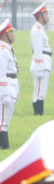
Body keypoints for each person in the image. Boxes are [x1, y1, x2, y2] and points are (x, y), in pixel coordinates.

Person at [29, 3, 52, 116]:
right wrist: (39, 67)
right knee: (38, 92)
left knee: (41, 91)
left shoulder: (41, 29)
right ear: (40, 16)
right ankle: (37, 114)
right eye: (46, 14)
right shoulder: (37, 30)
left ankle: (39, 114)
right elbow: (37, 50)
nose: (48, 16)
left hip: (45, 63)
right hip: (40, 64)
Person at [0, 19, 18, 150]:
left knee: (5, 120)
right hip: (6, 86)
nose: (13, 35)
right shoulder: (2, 50)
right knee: (2, 121)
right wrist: (4, 92)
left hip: (11, 84)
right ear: (5, 35)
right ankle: (4, 147)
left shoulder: (7, 49)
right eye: (11, 32)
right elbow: (1, 73)